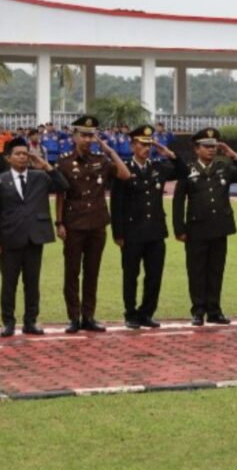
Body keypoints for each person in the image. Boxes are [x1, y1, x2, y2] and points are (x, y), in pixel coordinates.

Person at [56, 116, 132, 334]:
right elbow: (61, 195)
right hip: (73, 224)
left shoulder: (101, 160)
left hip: (97, 224)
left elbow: (125, 175)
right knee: (72, 273)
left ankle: (88, 316)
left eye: (91, 135)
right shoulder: (63, 161)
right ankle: (73, 317)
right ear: (74, 136)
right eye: (84, 135)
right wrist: (59, 222)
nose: (87, 139)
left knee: (92, 272)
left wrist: (109, 151)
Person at [0, 137, 67, 337]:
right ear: (8, 158)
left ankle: (30, 321)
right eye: (18, 154)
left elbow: (62, 185)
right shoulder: (0, 180)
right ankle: (8, 322)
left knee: (32, 283)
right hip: (9, 238)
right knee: (9, 283)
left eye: (25, 153)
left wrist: (44, 165)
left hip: (34, 237)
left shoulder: (39, 177)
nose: (23, 157)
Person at [111, 125, 187, 329]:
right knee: (131, 275)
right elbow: (116, 203)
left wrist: (169, 153)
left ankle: (146, 313)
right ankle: (131, 313)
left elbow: (183, 171)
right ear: (133, 145)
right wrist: (118, 233)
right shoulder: (124, 168)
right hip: (132, 231)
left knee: (154, 275)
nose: (147, 148)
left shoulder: (157, 167)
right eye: (142, 144)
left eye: (149, 144)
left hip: (155, 231)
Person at [173, 128, 237, 326]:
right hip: (196, 228)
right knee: (197, 271)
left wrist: (234, 155)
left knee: (216, 270)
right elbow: (178, 201)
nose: (211, 150)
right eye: (206, 147)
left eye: (214, 146)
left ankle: (214, 310)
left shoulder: (223, 168)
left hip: (219, 227)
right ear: (196, 149)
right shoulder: (187, 170)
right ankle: (198, 310)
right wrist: (179, 229)